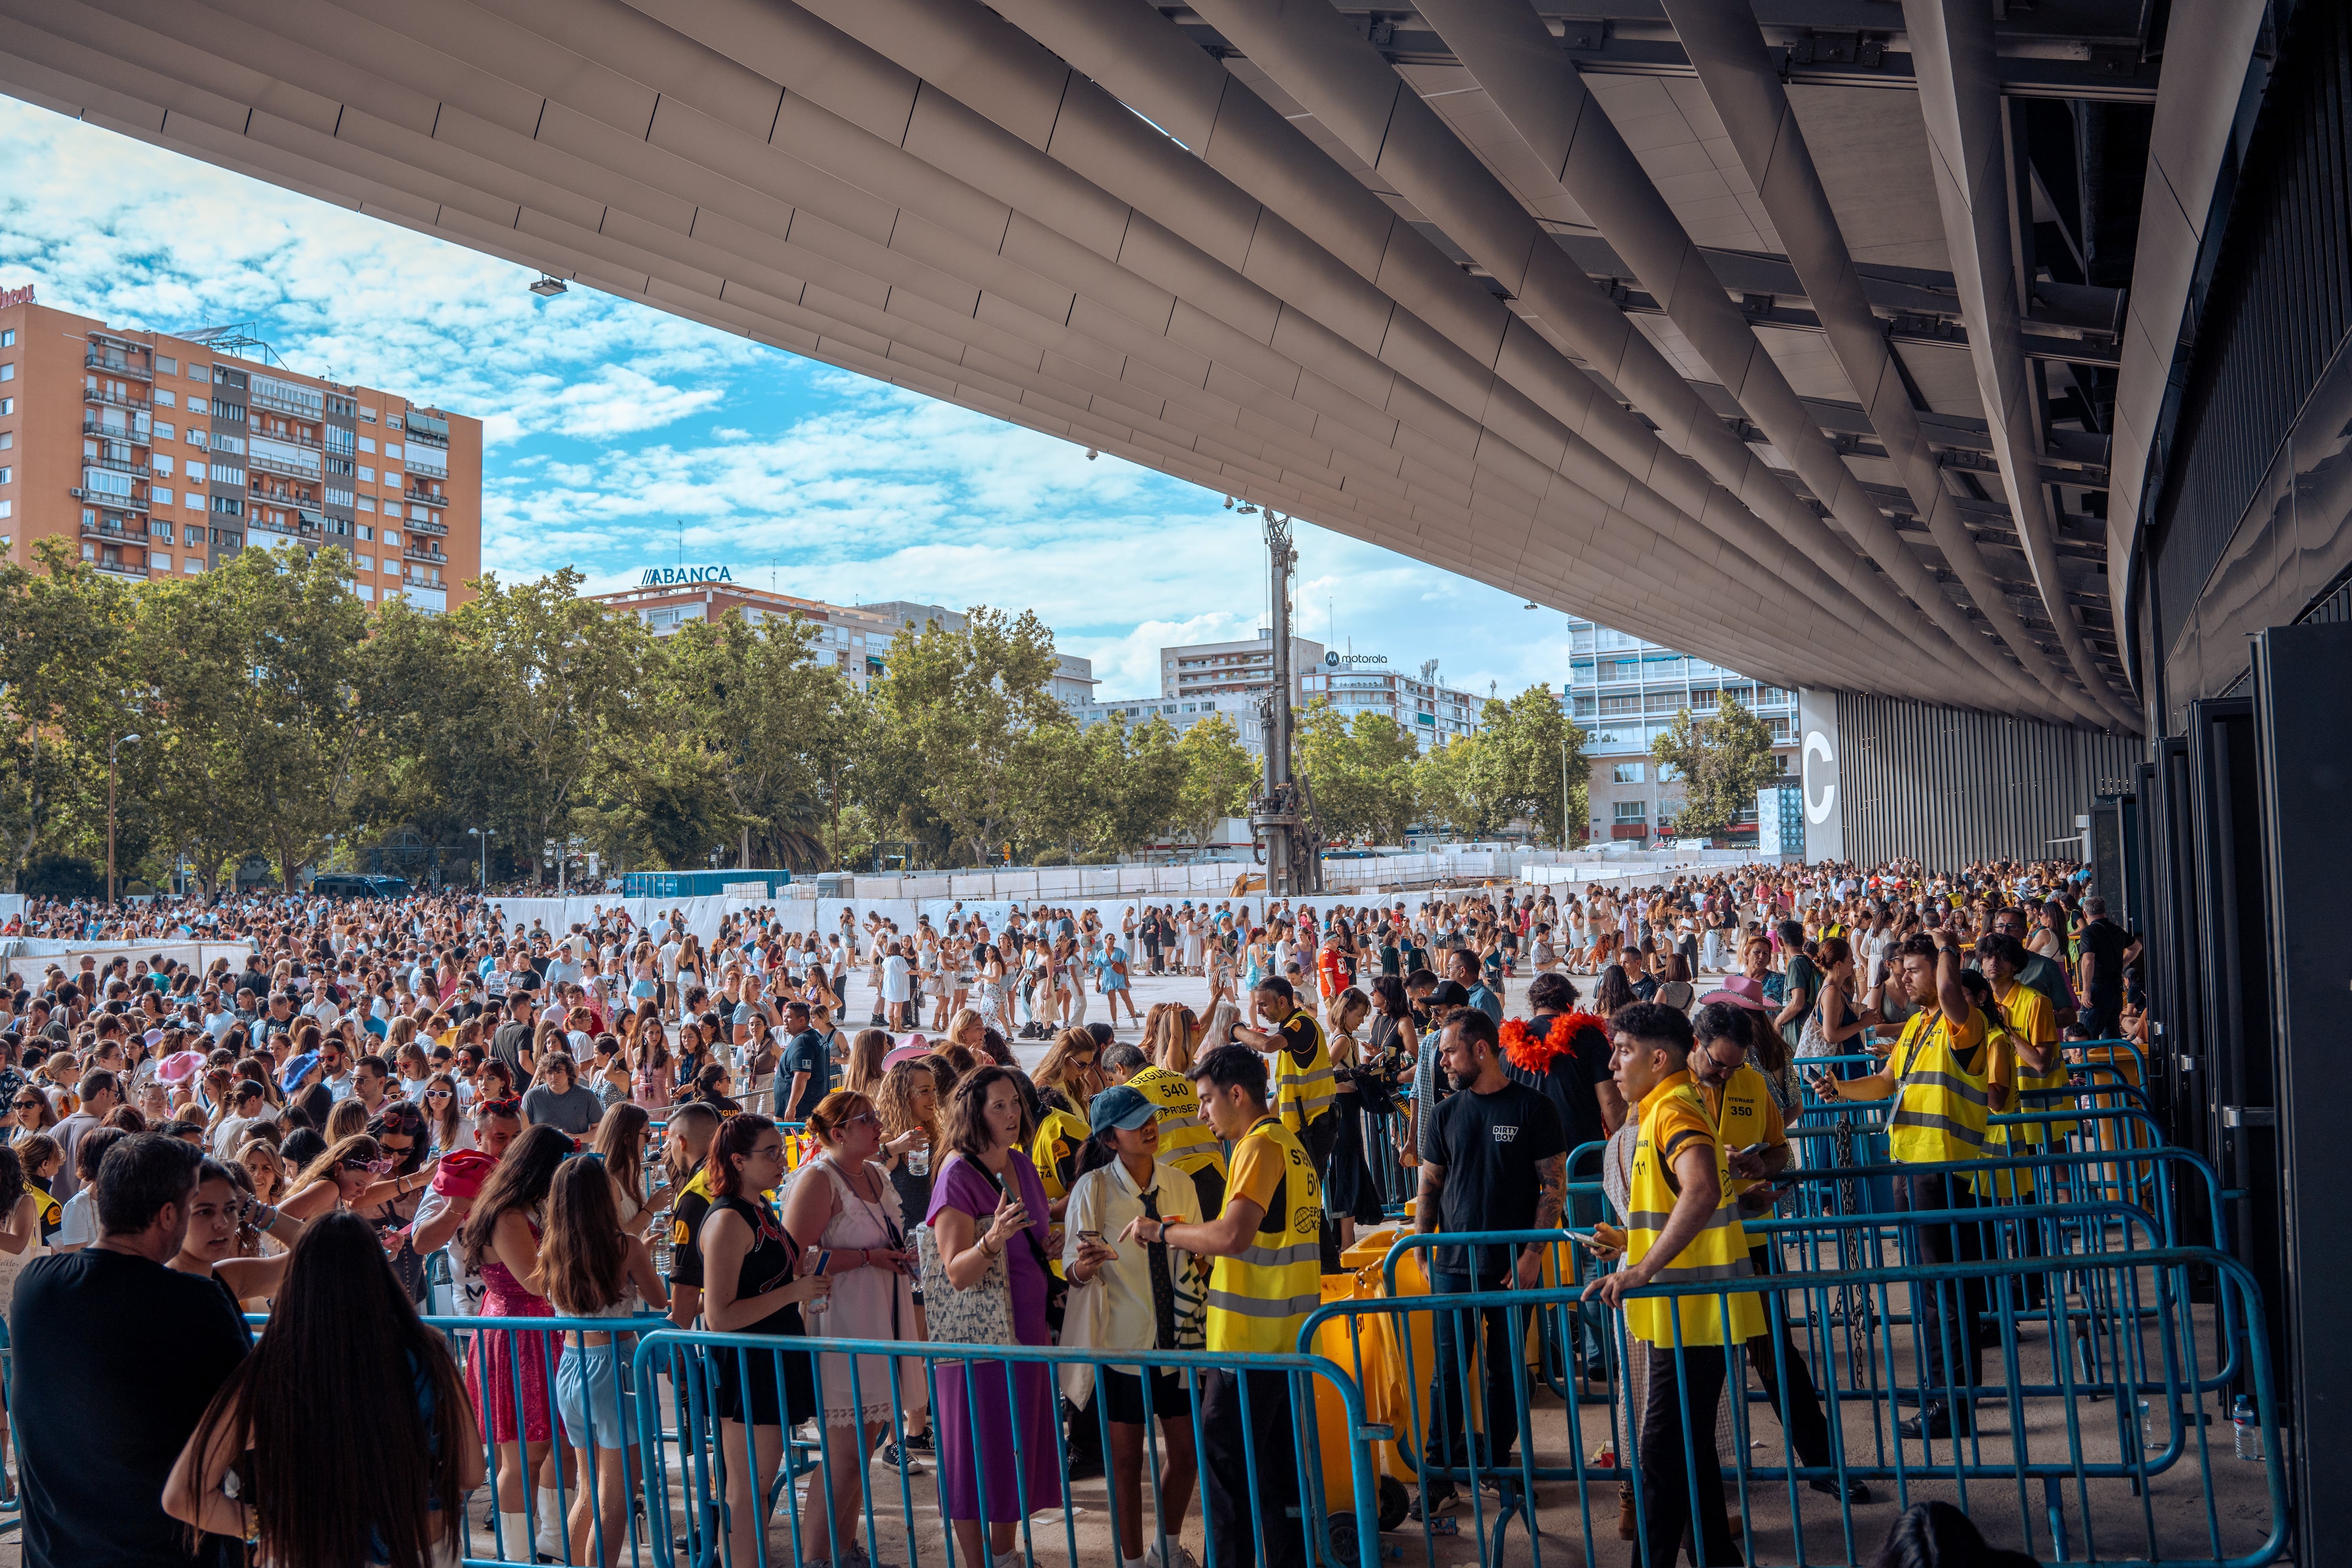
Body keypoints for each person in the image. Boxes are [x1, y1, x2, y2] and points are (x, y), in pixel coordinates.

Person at [164, 1210, 485, 1568]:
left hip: (308, 1547)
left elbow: (183, 1495)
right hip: (420, 1546)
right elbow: (471, 1472)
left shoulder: (270, 1368)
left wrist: (262, 1526)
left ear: (297, 1279)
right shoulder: (429, 1353)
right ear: (378, 1272)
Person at [12, 1133, 251, 1568]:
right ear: (167, 1214)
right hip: (163, 1553)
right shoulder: (195, 1303)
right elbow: (249, 1423)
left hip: (54, 1555)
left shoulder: (36, 1286)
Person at [1581, 1003, 1764, 1568]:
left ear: (1659, 1058)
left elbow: (1701, 1189)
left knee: (1661, 1453)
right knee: (1688, 1449)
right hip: (1685, 1314)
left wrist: (1642, 1269)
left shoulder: (1671, 1109)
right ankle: (1717, 1557)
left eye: (1624, 1050)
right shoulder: (1667, 1106)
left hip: (1692, 1313)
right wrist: (1630, 1246)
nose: (1613, 1063)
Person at [1122, 1046, 1319, 1568]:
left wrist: (1163, 1231)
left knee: (1228, 1485)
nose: (1201, 1114)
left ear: (1237, 1094)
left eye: (1206, 1101)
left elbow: (1233, 1235)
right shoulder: (1289, 1145)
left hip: (1247, 1349)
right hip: (1284, 1344)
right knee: (1278, 1483)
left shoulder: (1258, 1147)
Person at [1688, 1003, 1868, 1503]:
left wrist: (1756, 1165)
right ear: (1694, 1045)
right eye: (1717, 1065)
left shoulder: (1750, 1081)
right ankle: (1696, 1485)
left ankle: (1823, 1464)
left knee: (1777, 1359)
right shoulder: (1670, 1090)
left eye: (1734, 1064)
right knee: (1695, 1374)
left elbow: (1778, 1150)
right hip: (1691, 1250)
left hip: (1751, 1242)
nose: (1726, 1074)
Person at [1813, 930, 1989, 1439]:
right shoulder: (1917, 1025)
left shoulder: (1962, 1020)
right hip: (1913, 1167)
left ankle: (1950, 1406)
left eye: (1913, 969)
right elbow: (1887, 1083)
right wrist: (1839, 1090)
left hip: (1941, 1170)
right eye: (1900, 970)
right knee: (1933, 1291)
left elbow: (1952, 991)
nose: (1900, 978)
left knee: (1943, 1293)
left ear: (1939, 970)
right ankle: (1946, 1389)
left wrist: (1948, 948)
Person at [1409, 1008, 1567, 1516]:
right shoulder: (1446, 1113)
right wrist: (1420, 1245)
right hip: (1452, 1263)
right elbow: (1428, 1185)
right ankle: (1438, 1478)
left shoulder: (1533, 1108)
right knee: (1448, 1373)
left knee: (1505, 1369)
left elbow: (1553, 1187)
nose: (1444, 1064)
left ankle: (1500, 1466)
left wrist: (1531, 1255)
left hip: (1508, 1267)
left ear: (1480, 1049)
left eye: (1450, 1052)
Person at [1063, 1084, 1206, 1568]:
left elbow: (1199, 1256)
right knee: (1124, 1462)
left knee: (1186, 1454)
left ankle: (1163, 1549)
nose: (1149, 1126)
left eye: (1151, 1117)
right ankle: (1129, 1561)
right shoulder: (1093, 1189)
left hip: (1179, 1340)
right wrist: (1087, 1264)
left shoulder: (1179, 1183)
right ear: (1108, 1138)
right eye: (1135, 1121)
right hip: (1120, 1344)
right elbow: (1070, 1269)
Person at [925, 1066, 1063, 1568]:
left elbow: (1031, 1238)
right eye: (999, 1105)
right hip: (976, 1342)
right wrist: (992, 1239)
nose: (1012, 1114)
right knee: (971, 1458)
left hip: (1025, 1333)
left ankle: (1005, 1556)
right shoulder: (956, 1175)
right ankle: (978, 1562)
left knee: (1013, 1450)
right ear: (974, 1114)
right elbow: (956, 1271)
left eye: (1015, 1103)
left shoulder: (1022, 1164)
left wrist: (1051, 1242)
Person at [782, 1090, 924, 1558]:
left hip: (881, 1317)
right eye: (868, 1120)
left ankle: (843, 1546)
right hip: (840, 1323)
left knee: (860, 1454)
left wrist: (900, 1257)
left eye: (877, 1118)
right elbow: (794, 1259)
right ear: (838, 1132)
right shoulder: (817, 1180)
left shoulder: (877, 1173)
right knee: (843, 1458)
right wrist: (865, 1257)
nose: (879, 1125)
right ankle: (818, 1555)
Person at [699, 1113, 830, 1568]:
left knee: (755, 1484)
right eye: (770, 1152)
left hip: (770, 1358)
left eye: (781, 1149)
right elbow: (718, 1315)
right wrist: (793, 1291)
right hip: (747, 1366)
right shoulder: (728, 1219)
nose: (781, 1159)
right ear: (738, 1160)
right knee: (747, 1485)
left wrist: (797, 1282)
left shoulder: (759, 1209)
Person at [541, 1156, 668, 1568]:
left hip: (571, 1364)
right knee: (615, 1498)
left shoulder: (553, 1247)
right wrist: (639, 1257)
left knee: (588, 1491)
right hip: (616, 1365)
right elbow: (658, 1299)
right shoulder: (624, 1245)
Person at [458, 1123, 577, 1559]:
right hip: (517, 1337)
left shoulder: (530, 1207)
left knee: (562, 1444)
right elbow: (535, 1282)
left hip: (544, 1332)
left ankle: (554, 1540)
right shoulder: (507, 1215)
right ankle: (518, 1553)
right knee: (521, 1457)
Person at [1232, 976, 1340, 1270]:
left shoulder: (1300, 1025)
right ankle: (1322, 1265)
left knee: (1302, 1201)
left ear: (1283, 1002)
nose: (1261, 1011)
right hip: (1306, 1129)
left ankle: (1328, 1267)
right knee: (1301, 1200)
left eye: (1264, 1005)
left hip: (1314, 1130)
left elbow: (1266, 1044)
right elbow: (1286, 1090)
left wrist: (1237, 1030)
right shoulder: (1292, 1029)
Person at [521, 1051, 602, 1135]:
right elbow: (525, 1131)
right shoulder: (532, 1096)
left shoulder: (587, 1096)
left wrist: (576, 1138)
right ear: (544, 1074)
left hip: (576, 1147)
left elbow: (599, 1130)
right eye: (549, 1072)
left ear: (569, 1073)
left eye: (559, 1072)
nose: (554, 1077)